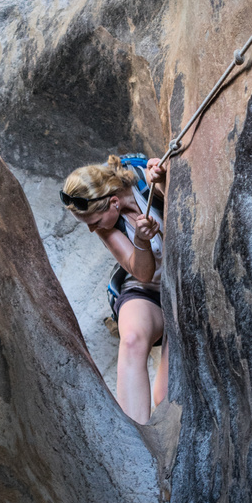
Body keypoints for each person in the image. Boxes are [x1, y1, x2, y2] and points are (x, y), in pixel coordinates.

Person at [60, 154, 168, 425]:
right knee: (130, 340)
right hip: (148, 290)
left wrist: (165, 179)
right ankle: (136, 436)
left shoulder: (145, 180)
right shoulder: (106, 228)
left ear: (114, 202)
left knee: (164, 394)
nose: (92, 229)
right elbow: (141, 272)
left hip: (184, 287)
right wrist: (142, 241)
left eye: (94, 222)